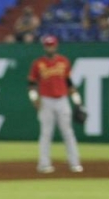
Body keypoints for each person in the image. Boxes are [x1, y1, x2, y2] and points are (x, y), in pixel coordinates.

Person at [28, 35, 83, 174]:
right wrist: (34, 99)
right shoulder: (38, 63)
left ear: (56, 46)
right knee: (46, 133)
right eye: (47, 45)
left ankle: (74, 163)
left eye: (51, 45)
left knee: (68, 132)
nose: (50, 47)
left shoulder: (63, 62)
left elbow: (69, 83)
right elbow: (32, 84)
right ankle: (44, 164)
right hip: (46, 101)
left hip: (62, 100)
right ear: (44, 47)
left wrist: (77, 102)